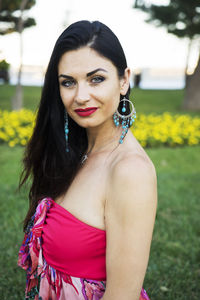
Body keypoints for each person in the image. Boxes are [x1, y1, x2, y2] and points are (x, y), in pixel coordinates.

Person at [18, 20, 157, 300]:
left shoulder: (130, 171)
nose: (81, 97)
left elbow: (123, 295)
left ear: (124, 80)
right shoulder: (75, 152)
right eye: (68, 82)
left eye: (96, 79)